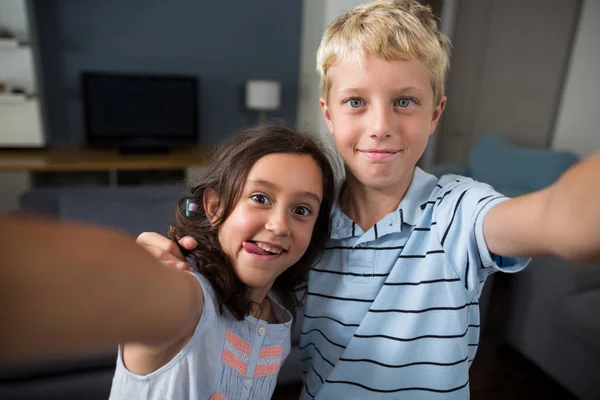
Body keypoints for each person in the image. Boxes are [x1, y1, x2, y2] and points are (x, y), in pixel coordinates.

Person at [137, 0, 600, 398]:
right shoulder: (306, 223)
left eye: (405, 101)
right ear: (329, 113)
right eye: (356, 102)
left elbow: (556, 218)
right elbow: (227, 278)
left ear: (436, 113)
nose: (380, 125)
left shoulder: (459, 211)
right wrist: (174, 264)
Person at [0, 122, 336, 400]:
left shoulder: (277, 318)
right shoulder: (193, 295)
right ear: (215, 207)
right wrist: (141, 272)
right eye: (260, 198)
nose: (279, 225)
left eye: (301, 210)